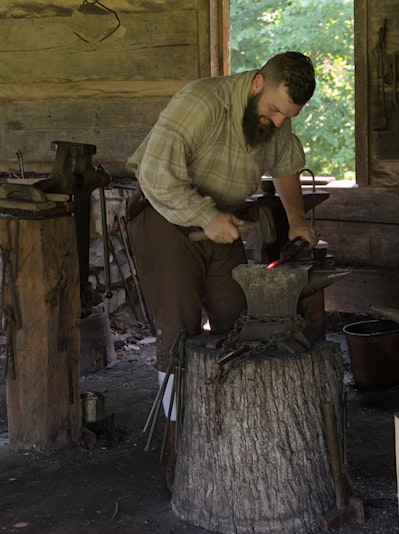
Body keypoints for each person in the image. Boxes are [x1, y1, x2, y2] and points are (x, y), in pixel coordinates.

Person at [125, 51, 317, 490]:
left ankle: (235, 436)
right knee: (179, 331)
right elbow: (155, 174)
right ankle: (180, 450)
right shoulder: (202, 101)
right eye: (273, 110)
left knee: (239, 323)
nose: (278, 122)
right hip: (165, 216)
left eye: (288, 116)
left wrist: (299, 221)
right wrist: (202, 214)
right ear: (256, 83)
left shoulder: (274, 122)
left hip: (220, 223)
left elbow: (286, 164)